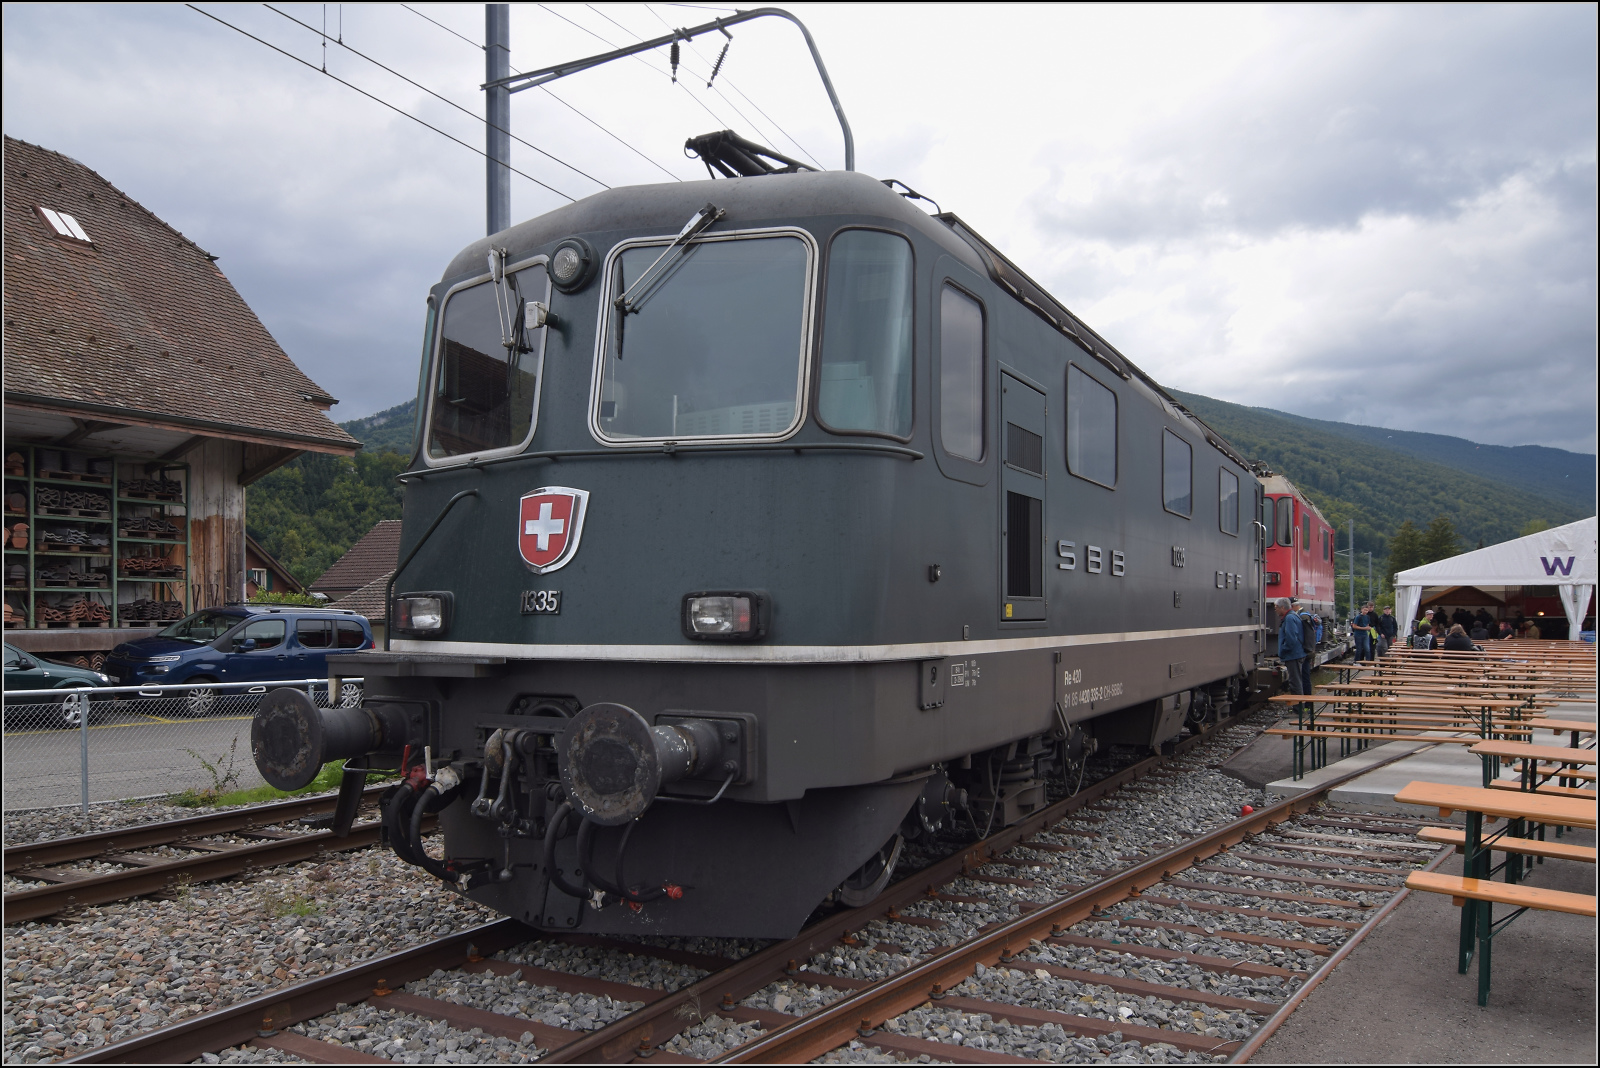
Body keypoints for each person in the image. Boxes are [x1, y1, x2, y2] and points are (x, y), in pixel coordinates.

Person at [1276, 597, 1309, 706]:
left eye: (1276, 607)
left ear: (1282, 607)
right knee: (1296, 681)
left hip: (1293, 654)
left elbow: (1291, 638)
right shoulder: (1293, 616)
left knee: (1295, 683)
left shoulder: (1290, 618)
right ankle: (1298, 707)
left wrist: (1284, 649)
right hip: (1295, 653)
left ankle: (1298, 709)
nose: (1275, 610)